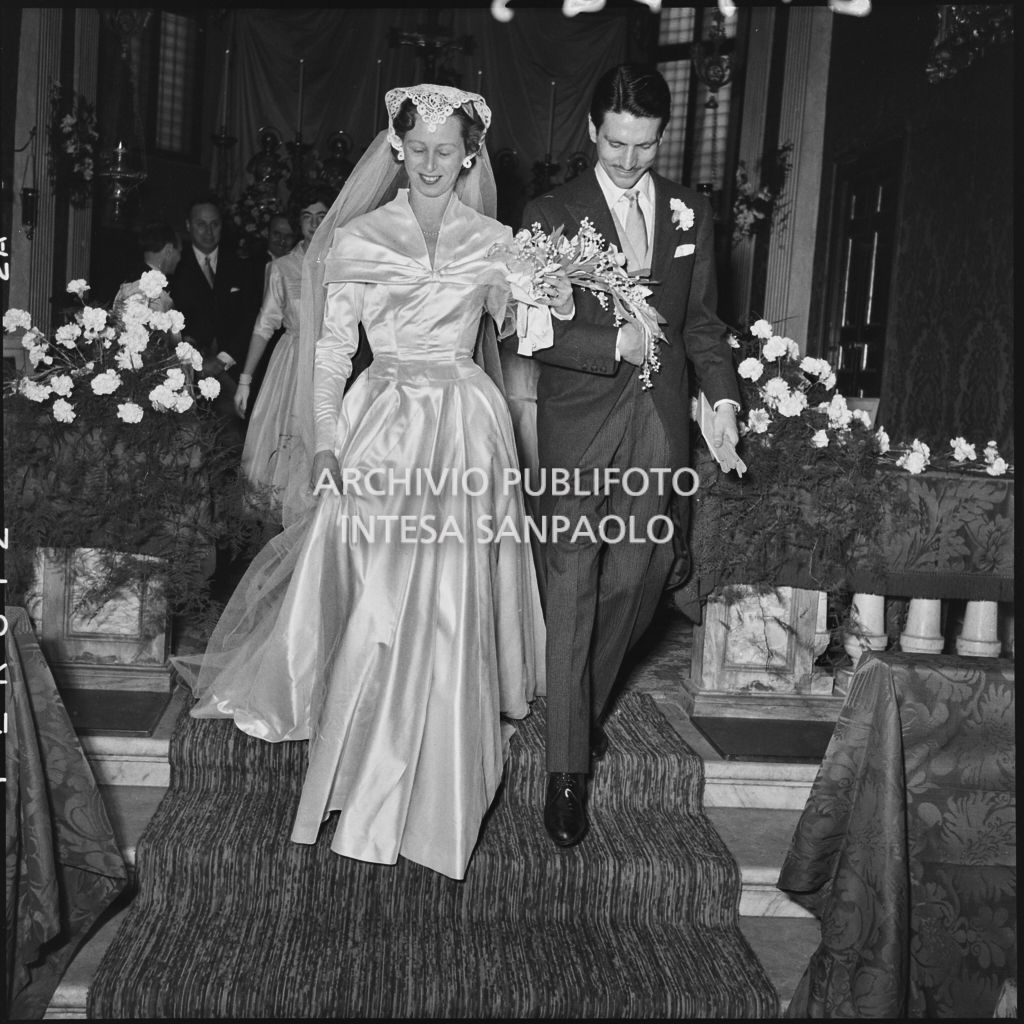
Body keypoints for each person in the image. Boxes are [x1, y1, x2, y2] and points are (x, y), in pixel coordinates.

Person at [175, 83, 566, 881]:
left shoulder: (495, 237)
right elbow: (328, 354)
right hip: (382, 424)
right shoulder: (355, 238)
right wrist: (325, 443)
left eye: (445, 151)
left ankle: (442, 756)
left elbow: (523, 330)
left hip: (464, 426)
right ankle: (368, 759)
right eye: (416, 148)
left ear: (468, 156)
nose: (430, 164)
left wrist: (544, 300)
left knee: (452, 592)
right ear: (396, 147)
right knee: (386, 592)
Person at [520, 64, 741, 848]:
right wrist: (611, 341)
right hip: (580, 419)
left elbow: (704, 323)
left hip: (658, 419)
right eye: (616, 142)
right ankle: (567, 768)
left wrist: (721, 400)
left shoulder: (690, 211)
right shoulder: (549, 213)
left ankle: (576, 704)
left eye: (644, 145)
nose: (627, 159)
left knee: (646, 571)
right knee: (575, 577)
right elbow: (529, 331)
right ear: (591, 131)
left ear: (662, 136)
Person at [233, 188, 332, 520]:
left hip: (332, 361)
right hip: (292, 362)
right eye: (307, 217)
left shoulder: (343, 261)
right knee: (284, 440)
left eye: (321, 215)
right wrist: (245, 379)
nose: (315, 224)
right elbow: (265, 323)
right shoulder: (283, 267)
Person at [170, 194, 262, 447]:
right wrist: (195, 360)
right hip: (186, 371)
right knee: (189, 443)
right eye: (201, 224)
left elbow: (252, 316)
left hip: (231, 368)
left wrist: (223, 359)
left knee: (233, 441)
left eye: (215, 224)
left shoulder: (242, 265)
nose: (208, 231)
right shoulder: (175, 265)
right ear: (188, 225)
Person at [112, 222, 181, 315]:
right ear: (169, 250)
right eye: (180, 252)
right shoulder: (147, 289)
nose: (180, 258)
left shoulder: (131, 279)